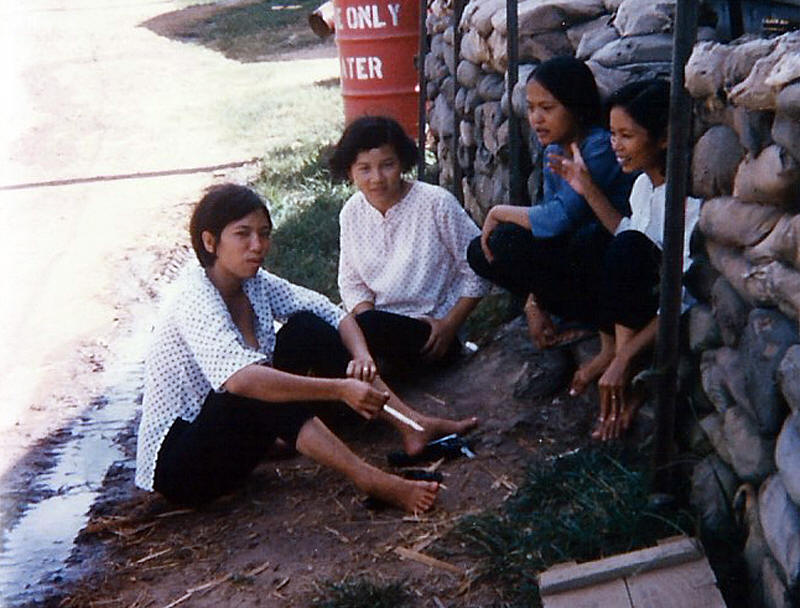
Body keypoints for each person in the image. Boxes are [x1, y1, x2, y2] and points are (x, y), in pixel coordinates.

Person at [134, 184, 478, 511]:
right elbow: (240, 381)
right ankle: (371, 480)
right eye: (243, 234)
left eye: (264, 233)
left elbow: (333, 314)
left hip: (232, 443)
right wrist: (339, 388)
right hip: (183, 467)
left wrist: (361, 357)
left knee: (305, 328)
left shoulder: (254, 283)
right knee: (255, 385)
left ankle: (411, 424)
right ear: (210, 242)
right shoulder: (193, 297)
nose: (257, 245)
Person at [549, 79, 702, 440]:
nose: (615, 145)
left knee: (627, 247)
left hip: (663, 318)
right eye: (613, 134)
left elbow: (681, 297)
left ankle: (629, 372)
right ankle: (611, 352)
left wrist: (625, 357)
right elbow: (625, 233)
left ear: (663, 139)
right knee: (594, 242)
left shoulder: (687, 203)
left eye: (626, 136)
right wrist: (586, 187)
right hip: (637, 304)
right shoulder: (643, 186)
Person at [466, 56, 635, 349]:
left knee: (579, 240)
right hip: (574, 252)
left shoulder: (598, 147)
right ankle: (562, 313)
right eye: (531, 108)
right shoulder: (554, 149)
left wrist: (498, 212)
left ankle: (596, 321)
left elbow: (558, 219)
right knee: (482, 250)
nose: (536, 119)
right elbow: (546, 223)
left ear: (576, 107)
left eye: (547, 108)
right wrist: (533, 303)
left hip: (609, 257)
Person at [331, 115, 490, 370]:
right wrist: (365, 326)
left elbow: (478, 265)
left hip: (431, 333)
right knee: (315, 332)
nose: (377, 178)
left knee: (364, 330)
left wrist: (449, 325)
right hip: (376, 326)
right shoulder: (351, 212)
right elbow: (352, 283)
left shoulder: (436, 203)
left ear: (402, 163)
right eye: (364, 169)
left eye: (387, 165)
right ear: (350, 171)